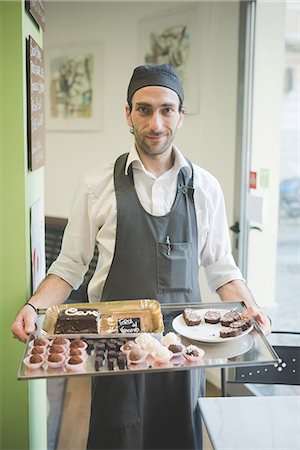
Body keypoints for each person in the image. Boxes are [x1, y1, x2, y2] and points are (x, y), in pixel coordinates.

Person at [12, 63, 271, 450]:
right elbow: (69, 266)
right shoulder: (95, 185)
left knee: (177, 437)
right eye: (144, 109)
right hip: (114, 348)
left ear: (181, 115)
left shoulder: (205, 188)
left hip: (184, 348)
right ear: (128, 113)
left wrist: (251, 308)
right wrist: (33, 307)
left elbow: (220, 267)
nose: (155, 123)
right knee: (117, 438)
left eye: (167, 109)